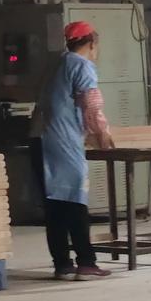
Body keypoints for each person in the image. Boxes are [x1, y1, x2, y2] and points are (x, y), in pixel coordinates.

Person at [30, 21, 115, 280]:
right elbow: (91, 103)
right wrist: (102, 133)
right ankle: (87, 263)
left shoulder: (57, 63)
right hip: (62, 141)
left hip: (40, 138)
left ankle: (62, 264)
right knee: (76, 200)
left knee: (54, 204)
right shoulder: (81, 65)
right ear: (92, 43)